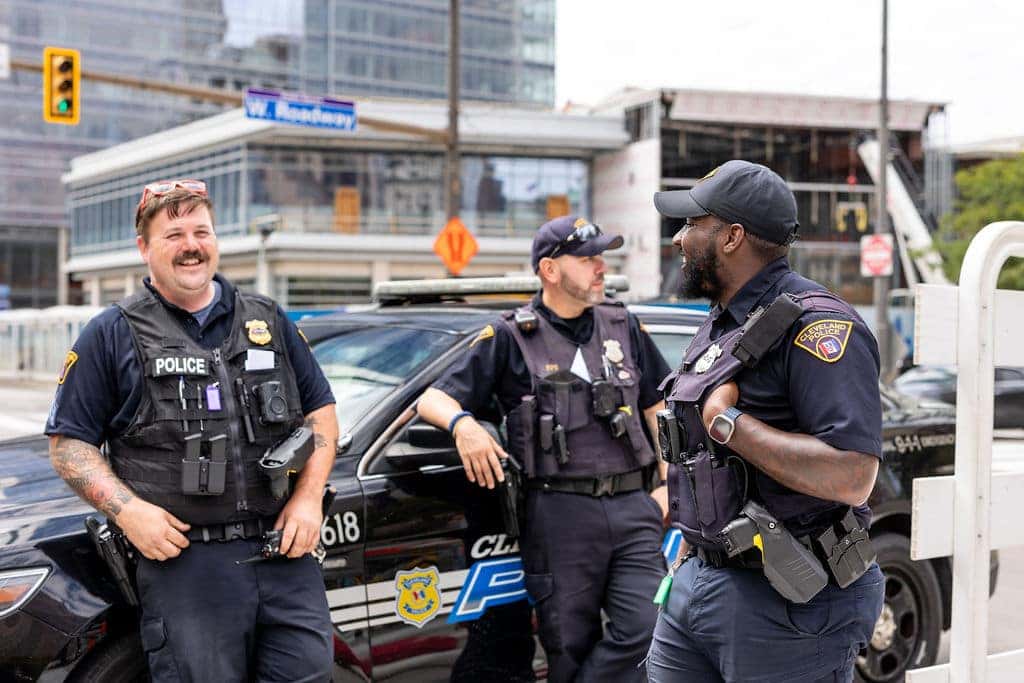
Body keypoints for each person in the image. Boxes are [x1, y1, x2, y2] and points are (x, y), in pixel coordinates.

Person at [46, 179, 338, 682]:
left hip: (284, 554)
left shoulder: (266, 319)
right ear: (144, 248)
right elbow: (69, 444)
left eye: (201, 231)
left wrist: (308, 498)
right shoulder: (111, 334)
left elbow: (322, 412)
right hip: (188, 567)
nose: (191, 246)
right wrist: (128, 510)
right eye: (173, 234)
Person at [645, 160, 886, 682]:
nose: (679, 239)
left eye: (692, 224)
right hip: (698, 579)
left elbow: (852, 475)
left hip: (785, 603)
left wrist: (729, 423)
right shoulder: (721, 323)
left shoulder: (818, 326)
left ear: (732, 237)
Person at [417, 215, 672, 682]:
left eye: (602, 257)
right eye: (588, 258)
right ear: (550, 270)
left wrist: (668, 481)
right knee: (567, 646)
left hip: (635, 508)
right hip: (559, 514)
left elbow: (658, 407)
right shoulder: (511, 336)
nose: (601, 267)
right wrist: (464, 426)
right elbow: (432, 399)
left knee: (650, 629)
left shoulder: (622, 324)